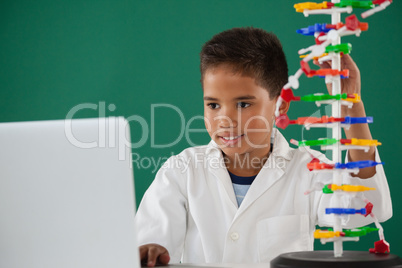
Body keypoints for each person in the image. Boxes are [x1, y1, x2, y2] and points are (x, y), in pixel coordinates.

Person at [135, 27, 392, 267]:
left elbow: (368, 209)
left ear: (280, 105)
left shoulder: (308, 169)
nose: (225, 120)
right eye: (213, 105)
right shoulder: (182, 172)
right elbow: (147, 244)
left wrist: (352, 107)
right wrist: (150, 250)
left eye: (244, 104)